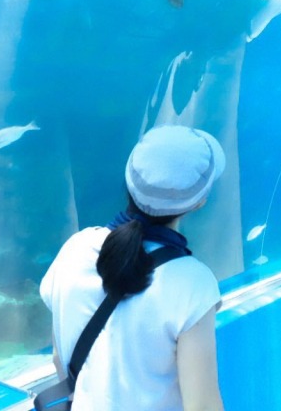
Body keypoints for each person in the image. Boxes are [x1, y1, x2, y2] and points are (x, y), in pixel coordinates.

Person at [40, 125, 227, 411]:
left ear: (129, 182)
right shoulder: (192, 282)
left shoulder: (74, 248)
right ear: (199, 202)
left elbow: (59, 359)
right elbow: (202, 406)